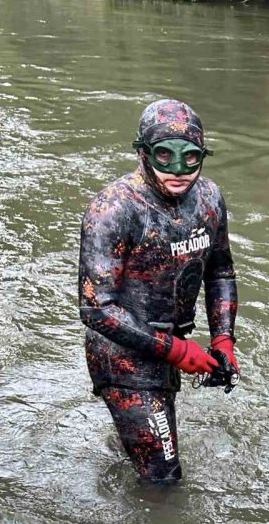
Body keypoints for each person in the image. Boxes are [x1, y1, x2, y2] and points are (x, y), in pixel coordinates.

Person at [78, 98, 239, 483]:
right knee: (164, 478)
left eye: (191, 157)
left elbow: (220, 271)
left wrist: (223, 339)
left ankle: (124, 450)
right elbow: (96, 308)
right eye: (165, 156)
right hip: (122, 357)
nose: (179, 170)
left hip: (169, 346)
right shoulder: (114, 208)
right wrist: (178, 351)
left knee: (147, 446)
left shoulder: (209, 199)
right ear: (144, 152)